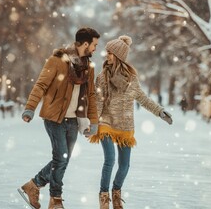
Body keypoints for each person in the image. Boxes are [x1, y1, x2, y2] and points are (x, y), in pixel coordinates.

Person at [18, 27, 100, 209]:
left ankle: (34, 185)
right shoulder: (57, 61)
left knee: (63, 160)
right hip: (54, 118)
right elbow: (41, 85)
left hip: (73, 120)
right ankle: (55, 199)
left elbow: (91, 94)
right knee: (61, 159)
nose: (95, 49)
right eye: (94, 45)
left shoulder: (88, 67)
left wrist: (93, 121)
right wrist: (30, 108)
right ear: (85, 44)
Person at [89, 35, 173, 209]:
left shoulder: (131, 80)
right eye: (107, 53)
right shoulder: (102, 77)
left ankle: (116, 193)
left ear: (119, 56)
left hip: (125, 126)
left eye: (111, 53)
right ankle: (104, 197)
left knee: (125, 165)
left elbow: (143, 98)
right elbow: (97, 101)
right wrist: (93, 122)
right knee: (110, 160)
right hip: (106, 122)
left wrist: (160, 111)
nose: (108, 56)